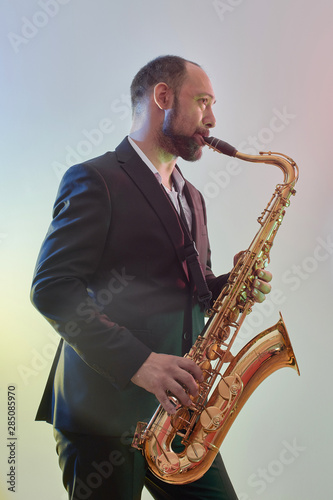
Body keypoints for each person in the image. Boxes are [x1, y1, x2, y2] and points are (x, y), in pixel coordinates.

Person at [31, 55, 272, 500]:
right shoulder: (95, 179)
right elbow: (51, 288)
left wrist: (231, 285)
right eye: (202, 102)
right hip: (102, 421)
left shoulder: (193, 197)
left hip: (177, 418)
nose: (212, 118)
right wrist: (139, 362)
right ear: (163, 97)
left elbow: (189, 288)